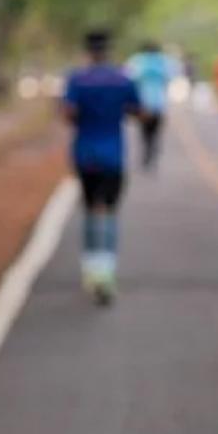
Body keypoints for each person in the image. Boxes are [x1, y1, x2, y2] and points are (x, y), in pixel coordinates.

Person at [62, 30, 140, 306]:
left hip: (85, 153)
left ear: (88, 50)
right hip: (113, 156)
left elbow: (68, 113)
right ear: (109, 50)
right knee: (108, 210)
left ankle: (91, 268)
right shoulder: (123, 79)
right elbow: (137, 110)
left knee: (90, 208)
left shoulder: (77, 79)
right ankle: (105, 272)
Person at [124, 41, 177, 171]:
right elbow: (171, 77)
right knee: (155, 131)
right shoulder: (163, 62)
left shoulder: (138, 61)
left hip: (143, 103)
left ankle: (147, 153)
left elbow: (129, 78)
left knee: (144, 131)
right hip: (159, 103)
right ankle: (151, 152)